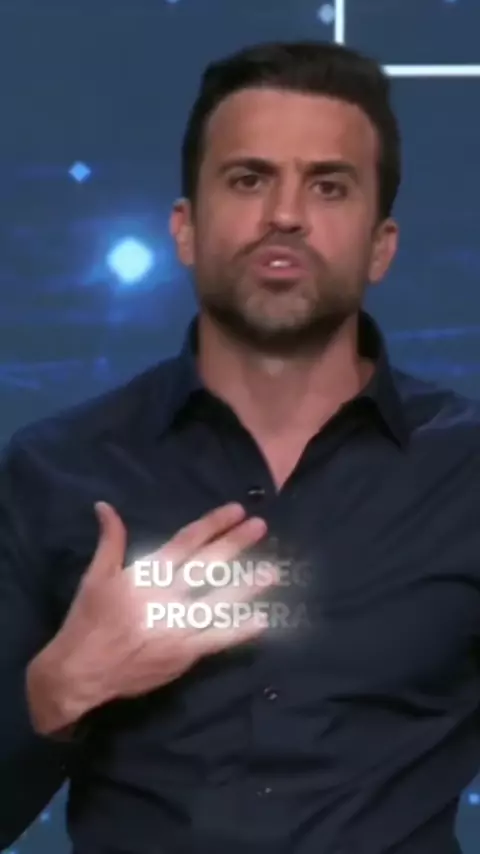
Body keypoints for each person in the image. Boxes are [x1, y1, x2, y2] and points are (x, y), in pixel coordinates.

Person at [0, 38, 479, 854]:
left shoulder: (466, 476)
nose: (285, 214)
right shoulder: (55, 470)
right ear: (185, 229)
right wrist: (62, 687)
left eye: (328, 185)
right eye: (249, 179)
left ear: (381, 245)